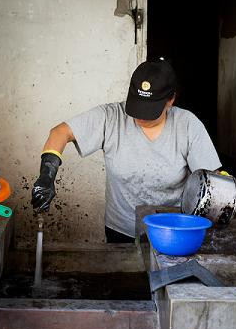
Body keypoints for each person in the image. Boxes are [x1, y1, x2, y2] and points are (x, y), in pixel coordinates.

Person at [31, 58, 222, 243]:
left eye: (150, 110)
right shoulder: (111, 117)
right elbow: (60, 132)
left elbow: (210, 179)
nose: (140, 116)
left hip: (171, 231)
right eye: (137, 106)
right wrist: (47, 174)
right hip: (121, 230)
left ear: (170, 100)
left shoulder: (187, 125)